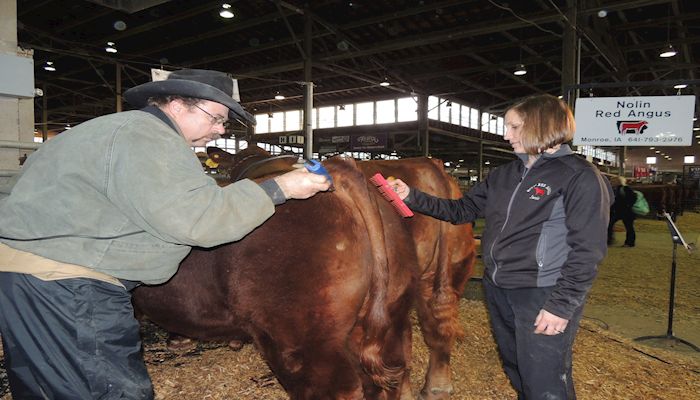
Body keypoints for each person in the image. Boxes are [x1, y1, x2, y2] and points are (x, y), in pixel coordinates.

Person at [0, 69, 330, 399]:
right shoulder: (148, 138)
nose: (219, 130)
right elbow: (198, 219)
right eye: (215, 118)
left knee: (48, 389)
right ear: (176, 104)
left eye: (224, 124)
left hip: (31, 279)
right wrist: (280, 187)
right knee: (106, 391)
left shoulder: (111, 130)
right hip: (69, 287)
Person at [389, 94, 612, 400]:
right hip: (499, 287)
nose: (506, 135)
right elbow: (461, 210)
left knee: (545, 379)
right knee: (517, 367)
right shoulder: (505, 175)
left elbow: (588, 250)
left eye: (514, 127)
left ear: (542, 126)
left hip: (542, 291)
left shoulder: (579, 177)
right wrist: (411, 196)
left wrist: (561, 305)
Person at [607, 175, 637, 247]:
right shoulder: (617, 189)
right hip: (621, 211)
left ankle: (629, 243)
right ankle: (610, 240)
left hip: (625, 211)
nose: (611, 182)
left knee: (628, 227)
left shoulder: (624, 189)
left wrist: (627, 205)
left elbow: (632, 198)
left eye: (613, 181)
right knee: (628, 227)